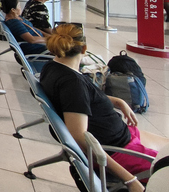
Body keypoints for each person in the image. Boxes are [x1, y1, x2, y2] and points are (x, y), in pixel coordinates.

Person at [40, 24, 169, 190]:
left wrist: (118, 101)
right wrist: (129, 179)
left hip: (120, 136)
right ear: (84, 48)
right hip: (117, 150)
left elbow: (80, 100)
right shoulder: (73, 84)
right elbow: (80, 138)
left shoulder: (53, 68)